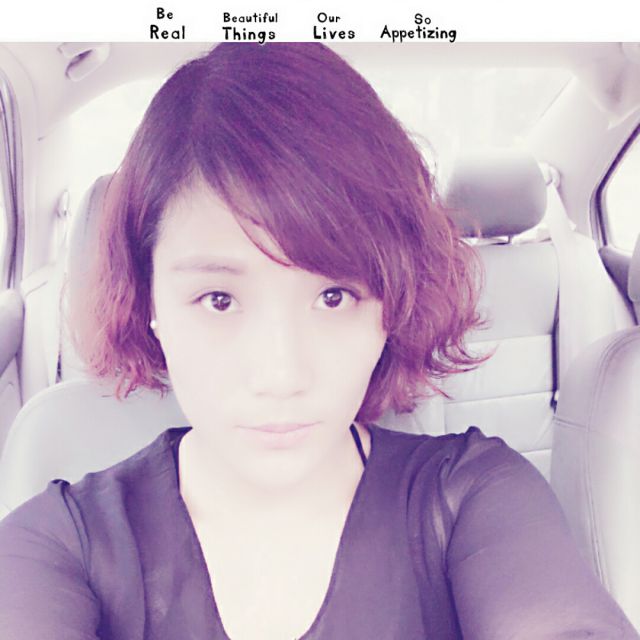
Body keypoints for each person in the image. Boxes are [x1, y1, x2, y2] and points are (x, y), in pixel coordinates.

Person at [0, 43, 637, 640]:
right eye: (218, 300)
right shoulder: (56, 546)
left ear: (391, 304)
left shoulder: (476, 496)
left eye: (334, 297)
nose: (281, 375)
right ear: (151, 304)